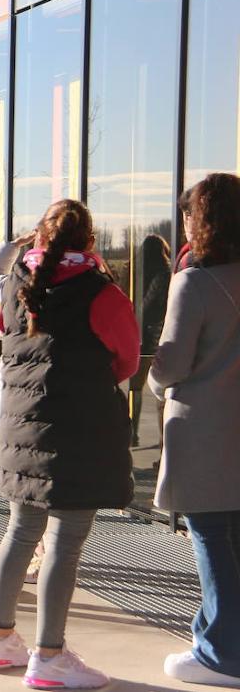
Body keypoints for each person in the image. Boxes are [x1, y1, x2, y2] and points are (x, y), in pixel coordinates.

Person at [0, 200, 139, 687]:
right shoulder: (101, 293)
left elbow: (10, 337)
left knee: (20, 532)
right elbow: (126, 360)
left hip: (22, 427)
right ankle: (49, 656)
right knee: (64, 544)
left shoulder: (14, 287)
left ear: (39, 238)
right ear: (89, 241)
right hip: (80, 430)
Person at [150, 173, 240, 687]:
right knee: (233, 538)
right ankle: (212, 636)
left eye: (188, 212)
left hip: (204, 427)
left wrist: (156, 383)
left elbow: (170, 364)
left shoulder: (194, 282)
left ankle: (221, 654)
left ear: (202, 219)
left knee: (208, 534)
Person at [128, 234, 172, 447]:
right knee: (159, 389)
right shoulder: (166, 273)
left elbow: (141, 304)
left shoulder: (137, 273)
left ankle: (132, 432)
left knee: (136, 386)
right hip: (157, 333)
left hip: (141, 334)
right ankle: (163, 441)